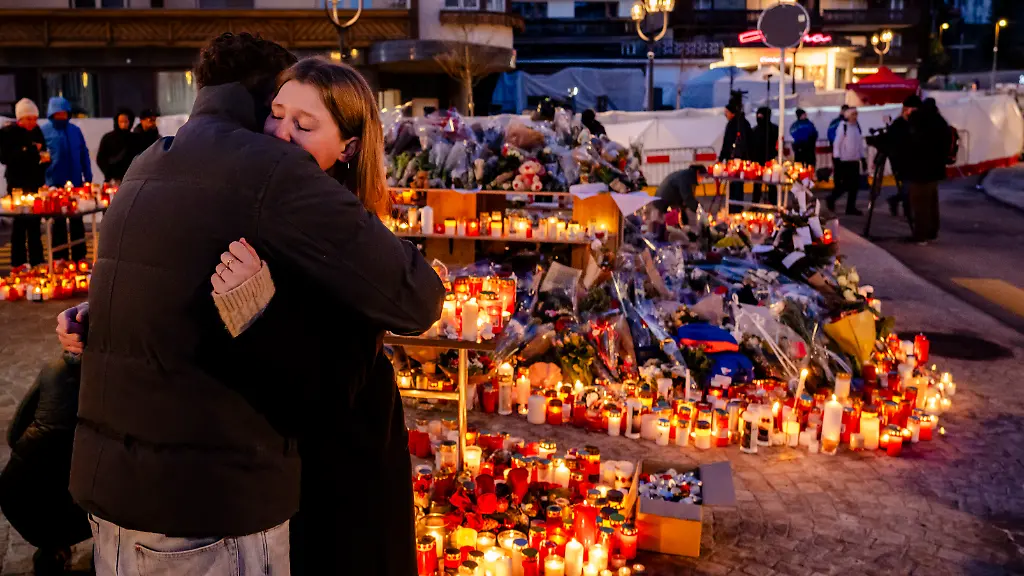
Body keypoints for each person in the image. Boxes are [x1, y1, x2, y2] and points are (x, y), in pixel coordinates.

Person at [59, 33, 444, 576]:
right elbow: (177, 290)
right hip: (215, 497)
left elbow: (332, 393)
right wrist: (98, 319)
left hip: (337, 499)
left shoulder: (320, 225)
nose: (281, 135)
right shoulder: (260, 189)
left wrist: (261, 315)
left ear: (351, 145)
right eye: (276, 114)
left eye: (304, 125)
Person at [0, 354, 91, 576]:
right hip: (67, 499)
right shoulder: (114, 376)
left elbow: (13, 435)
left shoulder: (55, 367)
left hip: (16, 494)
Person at [40, 97, 91, 262]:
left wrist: (87, 176)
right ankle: (59, 258)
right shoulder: (44, 131)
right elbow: (39, 157)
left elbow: (84, 153)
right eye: (58, 113)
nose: (61, 116)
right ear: (51, 114)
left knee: (77, 220)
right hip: (54, 184)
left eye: (64, 113)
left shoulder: (75, 131)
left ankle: (79, 256)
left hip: (75, 182)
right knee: (59, 222)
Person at [0, 98, 48, 267]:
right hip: (17, 185)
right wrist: (28, 151)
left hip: (35, 182)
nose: (32, 123)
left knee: (35, 224)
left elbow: (43, 152)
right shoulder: (8, 133)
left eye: (35, 119)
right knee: (19, 225)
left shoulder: (37, 131)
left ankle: (37, 261)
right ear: (20, 118)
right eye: (29, 119)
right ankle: (18, 263)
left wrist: (44, 160)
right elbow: (6, 158)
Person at [903, 97, 950, 243]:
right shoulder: (940, 122)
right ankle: (932, 231)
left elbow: (910, 141)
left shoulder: (918, 120)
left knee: (919, 204)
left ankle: (920, 235)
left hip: (919, 169)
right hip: (935, 169)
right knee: (931, 203)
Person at [885, 95, 920, 217]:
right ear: (907, 109)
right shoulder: (898, 124)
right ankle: (907, 211)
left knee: (910, 188)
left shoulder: (914, 123)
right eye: (914, 110)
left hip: (913, 160)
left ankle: (896, 202)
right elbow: (893, 144)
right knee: (907, 188)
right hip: (902, 162)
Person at [827, 106, 866, 215]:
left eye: (856, 114)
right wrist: (837, 158)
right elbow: (837, 143)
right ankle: (832, 198)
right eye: (853, 114)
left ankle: (850, 207)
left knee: (854, 185)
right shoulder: (843, 127)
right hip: (845, 160)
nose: (855, 117)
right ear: (848, 115)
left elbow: (859, 143)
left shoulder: (856, 127)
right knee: (846, 184)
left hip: (854, 160)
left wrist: (862, 158)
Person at [719, 98, 751, 214]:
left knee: (735, 184)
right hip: (741, 160)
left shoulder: (734, 125)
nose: (725, 115)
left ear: (732, 113)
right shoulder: (744, 123)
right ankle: (736, 207)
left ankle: (734, 208)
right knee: (737, 184)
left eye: (726, 112)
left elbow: (727, 143)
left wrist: (721, 158)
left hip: (735, 160)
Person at [95, 108, 136, 184]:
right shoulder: (108, 138)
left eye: (126, 121)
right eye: (121, 122)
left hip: (131, 180)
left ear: (130, 122)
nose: (123, 124)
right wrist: (110, 175)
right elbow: (101, 159)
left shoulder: (135, 139)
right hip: (112, 181)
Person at [749, 106, 779, 206]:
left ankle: (773, 203)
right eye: (758, 115)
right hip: (757, 160)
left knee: (771, 183)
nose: (759, 117)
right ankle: (755, 203)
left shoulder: (774, 129)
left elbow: (777, 144)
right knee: (757, 184)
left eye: (761, 115)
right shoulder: (754, 130)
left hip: (769, 160)